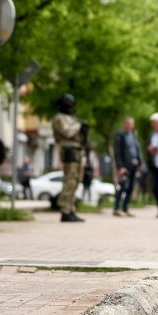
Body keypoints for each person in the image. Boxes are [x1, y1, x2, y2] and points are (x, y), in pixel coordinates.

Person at [51, 94, 88, 222]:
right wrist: (79, 125)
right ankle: (65, 210)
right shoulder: (59, 118)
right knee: (70, 180)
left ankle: (71, 208)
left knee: (76, 180)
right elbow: (67, 132)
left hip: (77, 150)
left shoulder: (71, 118)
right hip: (68, 149)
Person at [113, 117, 142, 217]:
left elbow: (138, 149)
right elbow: (117, 152)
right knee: (122, 187)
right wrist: (120, 167)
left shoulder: (133, 135)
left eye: (131, 124)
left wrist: (140, 163)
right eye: (128, 123)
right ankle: (116, 208)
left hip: (134, 165)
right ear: (124, 124)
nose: (130, 125)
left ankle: (125, 208)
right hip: (124, 166)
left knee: (130, 188)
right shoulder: (120, 135)